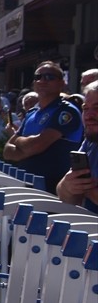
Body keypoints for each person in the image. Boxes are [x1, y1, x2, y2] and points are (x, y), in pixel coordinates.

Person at [2, 62, 83, 192]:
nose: (43, 80)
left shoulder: (66, 112)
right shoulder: (31, 114)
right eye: (38, 77)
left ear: (62, 83)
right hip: (27, 185)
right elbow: (7, 152)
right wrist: (29, 147)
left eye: (50, 77)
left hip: (52, 190)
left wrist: (16, 138)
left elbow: (37, 145)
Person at [56, 82, 98, 212]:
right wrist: (68, 187)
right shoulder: (91, 141)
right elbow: (64, 195)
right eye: (85, 109)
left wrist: (87, 190)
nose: (89, 116)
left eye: (97, 108)